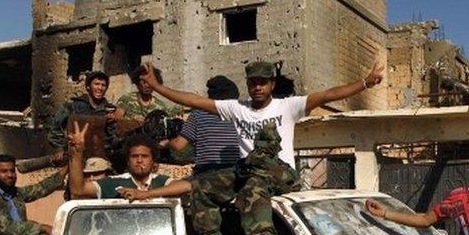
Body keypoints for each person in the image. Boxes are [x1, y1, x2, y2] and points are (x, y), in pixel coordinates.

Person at [138, 59, 384, 170]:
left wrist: (365, 82)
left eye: (263, 82)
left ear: (272, 85)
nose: (257, 87)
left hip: (280, 176)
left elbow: (329, 95)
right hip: (251, 178)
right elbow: (194, 100)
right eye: (253, 82)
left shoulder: (287, 107)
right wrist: (158, 87)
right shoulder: (237, 108)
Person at [120, 123, 300, 235]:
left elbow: (294, 188)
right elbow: (194, 185)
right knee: (203, 186)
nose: (262, 154)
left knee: (253, 189)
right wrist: (145, 194)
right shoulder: (243, 168)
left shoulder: (282, 173)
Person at [67, 122, 171, 200]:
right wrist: (77, 153)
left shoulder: (163, 182)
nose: (139, 160)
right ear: (128, 160)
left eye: (144, 156)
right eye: (134, 156)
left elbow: (186, 186)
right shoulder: (112, 183)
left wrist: (146, 194)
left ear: (153, 160)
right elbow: (78, 190)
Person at [167, 75, 243, 175]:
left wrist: (165, 143)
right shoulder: (242, 114)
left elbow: (178, 145)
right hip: (237, 172)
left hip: (207, 175)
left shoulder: (198, 114)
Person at [48, 71, 118, 164]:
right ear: (88, 87)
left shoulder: (110, 109)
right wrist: (58, 148)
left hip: (100, 157)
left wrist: (112, 124)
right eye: (96, 84)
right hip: (76, 153)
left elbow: (113, 137)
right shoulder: (73, 105)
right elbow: (56, 126)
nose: (100, 88)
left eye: (103, 85)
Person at [114, 65, 182, 130]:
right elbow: (116, 120)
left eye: (150, 82)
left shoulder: (160, 106)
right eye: (144, 82)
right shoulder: (127, 99)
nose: (147, 85)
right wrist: (132, 121)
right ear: (137, 83)